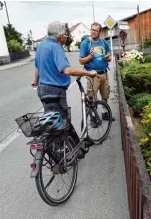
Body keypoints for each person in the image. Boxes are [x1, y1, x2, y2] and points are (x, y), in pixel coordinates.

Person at [31, 21, 97, 154]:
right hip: (55, 90)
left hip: (42, 89)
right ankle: (61, 151)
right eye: (65, 35)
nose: (66, 37)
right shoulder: (56, 47)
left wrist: (35, 81)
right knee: (63, 121)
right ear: (60, 35)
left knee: (52, 119)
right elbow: (66, 70)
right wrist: (88, 73)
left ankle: (70, 147)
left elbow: (38, 67)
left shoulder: (41, 46)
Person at [79, 22, 115, 121]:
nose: (93, 32)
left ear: (100, 32)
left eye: (96, 30)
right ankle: (93, 117)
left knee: (105, 95)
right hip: (92, 75)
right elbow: (81, 61)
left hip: (104, 73)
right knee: (91, 97)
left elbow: (109, 56)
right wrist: (90, 56)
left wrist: (108, 58)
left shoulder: (103, 42)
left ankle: (104, 113)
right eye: (92, 29)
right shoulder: (85, 43)